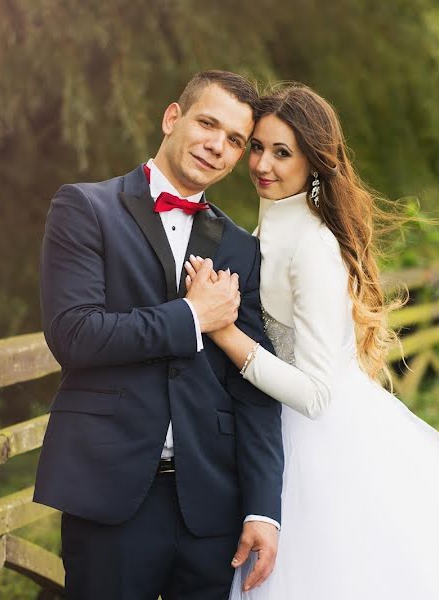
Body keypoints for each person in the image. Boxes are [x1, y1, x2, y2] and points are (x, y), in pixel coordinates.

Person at [184, 82, 439, 599]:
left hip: (321, 441)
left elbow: (315, 393)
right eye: (258, 147)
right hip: (273, 429)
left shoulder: (312, 245)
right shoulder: (266, 230)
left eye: (282, 152)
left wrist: (222, 331)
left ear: (313, 162)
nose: (263, 164)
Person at [34, 70, 285, 600]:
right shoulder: (85, 208)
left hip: (211, 504)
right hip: (111, 491)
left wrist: (264, 507)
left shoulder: (242, 248)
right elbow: (73, 334)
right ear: (174, 118)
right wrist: (193, 317)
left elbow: (254, 384)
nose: (217, 146)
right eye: (208, 124)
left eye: (235, 140)